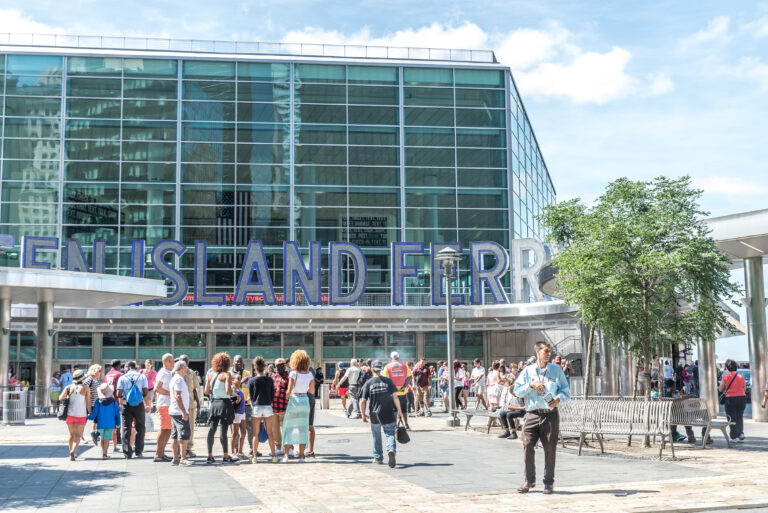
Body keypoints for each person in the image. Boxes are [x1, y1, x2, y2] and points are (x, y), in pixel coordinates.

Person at [514, 341, 571, 494]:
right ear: (537, 352)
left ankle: (548, 482)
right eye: (546, 351)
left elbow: (566, 391)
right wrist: (530, 385)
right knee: (527, 445)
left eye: (550, 351)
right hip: (532, 414)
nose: (549, 354)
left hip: (550, 415)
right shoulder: (528, 371)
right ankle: (529, 480)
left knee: (550, 448)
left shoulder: (556, 370)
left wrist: (558, 399)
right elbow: (517, 391)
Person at [361, 359, 404, 468]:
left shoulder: (368, 383)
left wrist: (363, 414)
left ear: (372, 369)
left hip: (374, 413)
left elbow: (363, 401)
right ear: (381, 369)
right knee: (390, 434)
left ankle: (378, 458)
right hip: (388, 412)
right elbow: (395, 397)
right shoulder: (388, 381)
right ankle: (391, 450)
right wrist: (399, 411)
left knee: (376, 436)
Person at [281, 350, 314, 463]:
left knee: (289, 428)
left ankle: (286, 456)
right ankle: (301, 456)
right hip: (305, 401)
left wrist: (287, 397)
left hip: (294, 400)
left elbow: (288, 391)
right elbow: (312, 391)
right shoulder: (310, 374)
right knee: (303, 429)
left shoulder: (293, 373)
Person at [205, 352, 237, 463]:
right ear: (227, 363)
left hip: (214, 403)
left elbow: (206, 391)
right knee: (223, 431)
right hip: (224, 404)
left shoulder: (211, 375)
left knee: (212, 429)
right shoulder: (226, 375)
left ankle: (209, 456)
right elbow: (228, 391)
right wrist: (233, 389)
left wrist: (217, 391)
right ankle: (226, 456)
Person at [116, 361, 149, 459]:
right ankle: (139, 451)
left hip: (127, 405)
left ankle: (127, 453)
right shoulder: (142, 377)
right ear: (135, 367)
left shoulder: (122, 378)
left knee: (126, 428)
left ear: (127, 367)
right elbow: (145, 392)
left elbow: (118, 394)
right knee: (140, 427)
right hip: (139, 405)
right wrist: (139, 397)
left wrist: (125, 397)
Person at [249, 356, 277, 463]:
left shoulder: (252, 380)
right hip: (267, 406)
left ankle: (254, 457)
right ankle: (274, 456)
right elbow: (272, 394)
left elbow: (251, 396)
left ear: (255, 367)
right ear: (264, 367)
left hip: (257, 406)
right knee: (270, 433)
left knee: (255, 433)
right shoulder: (269, 380)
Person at [60, 369, 91, 461]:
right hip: (81, 414)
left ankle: (71, 453)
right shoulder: (86, 388)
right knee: (78, 435)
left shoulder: (68, 387)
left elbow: (60, 398)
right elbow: (88, 402)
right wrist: (90, 412)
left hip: (70, 414)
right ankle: (73, 451)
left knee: (71, 435)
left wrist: (68, 396)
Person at [169, 360, 194, 466]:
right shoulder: (179, 379)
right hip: (179, 411)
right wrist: (184, 411)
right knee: (183, 435)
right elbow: (178, 396)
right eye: (186, 367)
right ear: (182, 368)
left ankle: (175, 458)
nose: (187, 369)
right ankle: (183, 459)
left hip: (174, 410)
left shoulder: (175, 378)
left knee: (174, 435)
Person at [88, 383, 121, 459]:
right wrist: (118, 422)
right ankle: (105, 454)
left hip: (100, 423)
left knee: (102, 438)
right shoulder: (113, 401)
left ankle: (103, 452)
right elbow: (117, 413)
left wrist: (89, 417)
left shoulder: (98, 401)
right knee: (107, 438)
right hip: (110, 423)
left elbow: (95, 413)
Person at [177, 355, 201, 458]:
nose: (184, 362)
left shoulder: (191, 373)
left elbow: (194, 389)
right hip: (179, 405)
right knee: (179, 428)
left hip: (190, 404)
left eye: (185, 360)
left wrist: (198, 403)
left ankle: (188, 449)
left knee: (190, 427)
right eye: (182, 360)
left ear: (188, 362)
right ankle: (179, 450)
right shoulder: (175, 372)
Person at [381, 351, 412, 429]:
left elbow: (384, 379)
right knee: (404, 408)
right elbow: (409, 377)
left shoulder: (388, 366)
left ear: (391, 357)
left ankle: (395, 425)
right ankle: (406, 424)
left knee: (394, 409)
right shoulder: (404, 366)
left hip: (392, 392)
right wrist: (404, 386)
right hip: (402, 391)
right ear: (398, 357)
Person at [719, 359, 747, 442]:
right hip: (742, 397)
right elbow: (744, 389)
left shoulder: (726, 376)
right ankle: (740, 433)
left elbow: (721, 389)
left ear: (727, 368)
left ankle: (734, 436)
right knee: (739, 416)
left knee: (731, 417)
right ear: (736, 367)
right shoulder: (741, 376)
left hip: (730, 398)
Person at [230, 355, 253, 457]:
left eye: (240, 361)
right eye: (237, 361)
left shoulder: (247, 373)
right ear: (233, 362)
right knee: (235, 432)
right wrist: (241, 382)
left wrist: (249, 398)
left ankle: (248, 448)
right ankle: (234, 451)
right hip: (235, 409)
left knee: (248, 429)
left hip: (245, 406)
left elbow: (250, 387)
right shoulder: (229, 374)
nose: (239, 363)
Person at [153, 353, 174, 462]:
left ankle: (161, 453)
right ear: (167, 361)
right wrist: (171, 393)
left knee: (168, 430)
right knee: (164, 429)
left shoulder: (168, 372)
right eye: (172, 360)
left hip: (167, 405)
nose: (173, 363)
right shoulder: (163, 373)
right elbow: (157, 388)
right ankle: (158, 454)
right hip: (164, 404)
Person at [104, 359, 123, 451]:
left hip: (107, 400)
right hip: (116, 400)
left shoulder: (107, 375)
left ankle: (111, 439)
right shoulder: (120, 375)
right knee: (117, 420)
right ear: (118, 365)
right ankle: (118, 438)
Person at [271, 358, 290, 455]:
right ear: (276, 367)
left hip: (285, 407)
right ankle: (278, 447)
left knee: (286, 428)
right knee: (275, 430)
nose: (280, 367)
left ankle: (289, 448)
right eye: (278, 366)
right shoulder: (272, 376)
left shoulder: (289, 376)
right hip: (273, 407)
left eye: (282, 365)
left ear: (285, 366)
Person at [83, 364, 102, 445]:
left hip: (96, 403)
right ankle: (81, 436)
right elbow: (83, 387)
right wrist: (88, 394)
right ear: (95, 371)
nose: (100, 372)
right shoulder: (89, 379)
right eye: (99, 371)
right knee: (84, 421)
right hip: (89, 403)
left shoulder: (96, 380)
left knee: (96, 420)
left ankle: (95, 434)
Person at [230, 374, 247, 459]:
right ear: (232, 380)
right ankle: (232, 453)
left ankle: (240, 452)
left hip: (242, 412)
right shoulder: (232, 388)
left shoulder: (240, 388)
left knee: (243, 432)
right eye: (238, 379)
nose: (240, 381)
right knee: (235, 433)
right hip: (236, 413)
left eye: (240, 379)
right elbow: (231, 399)